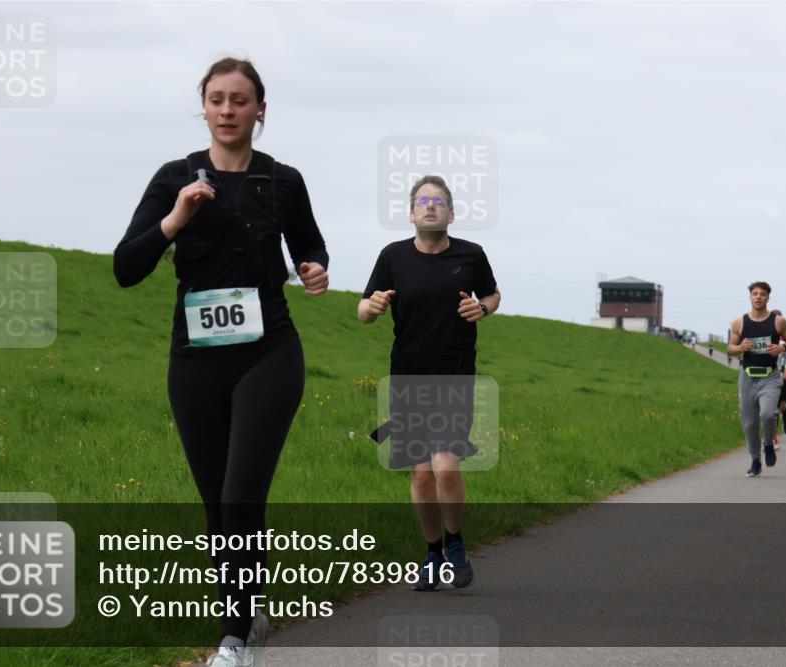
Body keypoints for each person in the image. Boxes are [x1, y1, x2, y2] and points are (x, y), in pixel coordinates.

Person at [114, 58, 329, 667]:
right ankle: (251, 606)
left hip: (269, 350)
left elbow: (309, 244)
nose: (228, 110)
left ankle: (234, 639)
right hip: (196, 356)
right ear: (203, 107)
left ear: (261, 110)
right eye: (217, 99)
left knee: (240, 494)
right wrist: (176, 218)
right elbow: (127, 267)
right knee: (219, 504)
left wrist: (314, 268)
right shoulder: (173, 177)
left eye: (241, 100)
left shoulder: (284, 180)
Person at [359, 175, 500, 591]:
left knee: (445, 465)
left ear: (451, 214)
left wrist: (483, 309)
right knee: (420, 476)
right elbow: (363, 311)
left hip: (454, 373)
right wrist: (374, 306)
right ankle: (433, 552)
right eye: (423, 200)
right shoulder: (393, 257)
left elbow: (492, 294)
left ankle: (456, 543)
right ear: (411, 212)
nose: (430, 206)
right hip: (408, 376)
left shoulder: (470, 255)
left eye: (439, 201)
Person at [727, 282, 786, 477]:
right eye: (755, 294)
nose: (758, 297)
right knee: (749, 423)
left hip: (770, 376)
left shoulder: (778, 321)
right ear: (750, 297)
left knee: (767, 414)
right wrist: (740, 348)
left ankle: (768, 444)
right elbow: (730, 348)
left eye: (762, 294)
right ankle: (755, 459)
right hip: (747, 376)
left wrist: (782, 348)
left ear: (768, 298)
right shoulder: (739, 322)